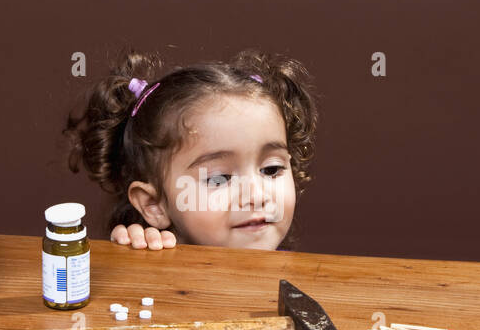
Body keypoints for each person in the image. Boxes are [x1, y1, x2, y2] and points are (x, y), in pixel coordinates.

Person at [65, 50, 317, 249]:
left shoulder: (293, 278)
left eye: (272, 170)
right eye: (219, 178)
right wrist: (137, 261)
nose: (258, 195)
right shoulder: (152, 266)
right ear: (154, 204)